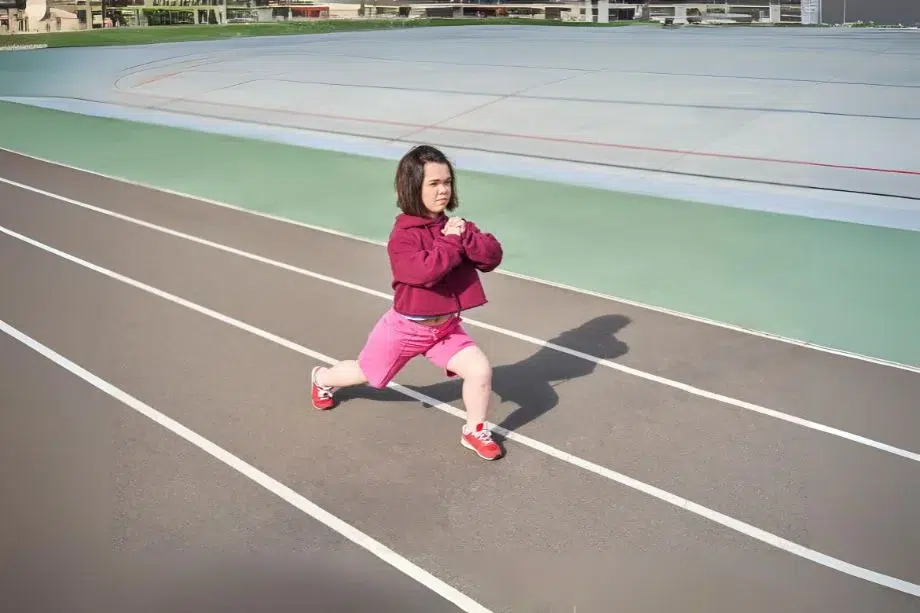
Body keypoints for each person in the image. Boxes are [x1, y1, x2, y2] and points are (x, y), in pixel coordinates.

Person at [309, 144, 504, 461]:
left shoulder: (454, 226)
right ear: (414, 187)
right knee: (367, 375)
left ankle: (475, 430)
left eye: (447, 182)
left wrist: (466, 236)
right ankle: (322, 378)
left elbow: (491, 257)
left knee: (480, 370)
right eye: (434, 184)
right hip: (405, 328)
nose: (443, 190)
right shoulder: (403, 236)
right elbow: (425, 273)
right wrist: (452, 241)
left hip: (445, 328)